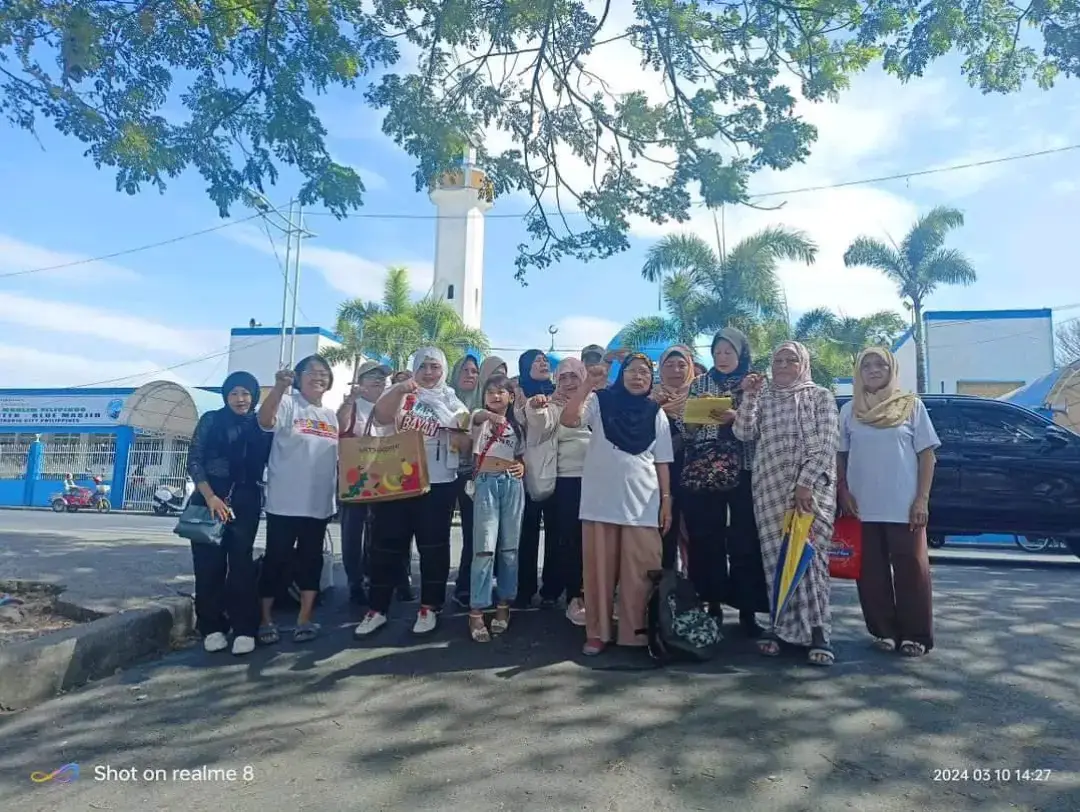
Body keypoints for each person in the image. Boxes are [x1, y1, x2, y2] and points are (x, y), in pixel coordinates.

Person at [561, 353, 674, 656]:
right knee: (598, 573)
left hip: (643, 503)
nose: (639, 377)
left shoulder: (655, 413)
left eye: (645, 373)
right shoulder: (600, 402)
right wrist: (587, 384)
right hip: (600, 502)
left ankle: (635, 633)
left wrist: (666, 502)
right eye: (632, 371)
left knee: (641, 571)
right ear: (621, 375)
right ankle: (598, 632)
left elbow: (662, 461)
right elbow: (569, 419)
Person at [734, 342, 840, 666]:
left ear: (803, 363)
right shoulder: (764, 398)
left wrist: (805, 483)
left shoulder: (819, 396)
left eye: (790, 360)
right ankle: (778, 626)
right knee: (776, 560)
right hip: (769, 489)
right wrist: (749, 395)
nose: (782, 365)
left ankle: (818, 631)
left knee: (810, 559)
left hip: (811, 490)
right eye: (777, 360)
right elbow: (742, 432)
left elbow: (827, 444)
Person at [356, 347, 470, 637]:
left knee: (433, 547)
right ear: (415, 368)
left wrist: (457, 434)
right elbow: (381, 417)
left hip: (439, 484)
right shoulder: (404, 395)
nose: (429, 373)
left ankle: (429, 606)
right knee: (385, 545)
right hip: (398, 479)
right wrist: (400, 389)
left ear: (443, 370)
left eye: (435, 367)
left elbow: (465, 442)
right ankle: (377, 609)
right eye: (423, 367)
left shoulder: (454, 402)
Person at [838, 347, 939, 657]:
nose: (872, 370)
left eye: (879, 364)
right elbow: (839, 456)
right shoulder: (849, 410)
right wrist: (843, 492)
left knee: (912, 569)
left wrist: (921, 499)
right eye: (865, 365)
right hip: (861, 506)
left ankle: (915, 635)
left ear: (891, 369)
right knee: (870, 572)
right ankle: (882, 631)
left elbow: (927, 455)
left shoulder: (911, 406)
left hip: (904, 505)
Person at [682, 329, 769, 637]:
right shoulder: (700, 384)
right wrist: (696, 416)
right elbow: (687, 429)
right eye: (717, 352)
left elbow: (762, 425)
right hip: (705, 468)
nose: (722, 358)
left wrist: (736, 413)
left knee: (745, 539)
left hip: (745, 469)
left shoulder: (757, 383)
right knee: (707, 539)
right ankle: (711, 604)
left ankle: (748, 610)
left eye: (728, 352)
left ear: (741, 354)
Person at [186, 371, 272, 655]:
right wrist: (211, 497)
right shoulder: (211, 420)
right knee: (208, 565)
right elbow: (195, 460)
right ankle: (211, 627)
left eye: (246, 393)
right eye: (234, 393)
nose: (240, 399)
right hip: (207, 497)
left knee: (241, 565)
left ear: (254, 396)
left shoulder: (260, 424)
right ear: (225, 396)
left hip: (245, 500)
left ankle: (245, 627)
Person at [256, 355, 339, 644]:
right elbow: (265, 420)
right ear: (299, 377)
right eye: (311, 372)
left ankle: (305, 618)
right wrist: (279, 388)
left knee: (311, 561)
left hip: (319, 504)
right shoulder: (289, 403)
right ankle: (265, 619)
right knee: (276, 560)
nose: (319, 377)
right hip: (285, 502)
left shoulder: (331, 415)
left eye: (323, 373)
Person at [522, 357, 592, 625]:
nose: (570, 382)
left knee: (595, 539)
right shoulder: (549, 405)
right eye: (563, 377)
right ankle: (574, 596)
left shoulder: (596, 402)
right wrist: (536, 406)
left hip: (598, 480)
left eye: (575, 376)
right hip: (564, 481)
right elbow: (537, 428)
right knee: (568, 540)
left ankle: (597, 593)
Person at [467, 374, 526, 641]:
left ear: (511, 397)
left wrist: (522, 466)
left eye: (501, 391)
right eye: (490, 391)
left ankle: (504, 605)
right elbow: (477, 416)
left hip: (512, 484)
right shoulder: (480, 420)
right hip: (486, 483)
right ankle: (477, 610)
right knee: (484, 548)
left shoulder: (518, 425)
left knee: (510, 548)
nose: (495, 396)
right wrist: (491, 417)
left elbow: (522, 455)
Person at [336, 360, 397, 606]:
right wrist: (349, 401)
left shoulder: (391, 406)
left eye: (382, 377)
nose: (378, 381)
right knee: (353, 532)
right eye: (371, 376)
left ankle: (383, 579)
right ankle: (355, 582)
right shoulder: (353, 406)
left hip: (385, 477)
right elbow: (339, 428)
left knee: (383, 531)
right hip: (356, 476)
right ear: (359, 383)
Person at [451, 355, 507, 608]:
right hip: (442, 475)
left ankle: (469, 586)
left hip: (471, 475)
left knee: (476, 533)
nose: (470, 375)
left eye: (475, 371)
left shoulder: (484, 405)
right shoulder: (445, 400)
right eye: (465, 370)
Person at [515, 349, 560, 607]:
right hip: (525, 472)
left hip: (556, 470)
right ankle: (524, 589)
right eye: (536, 361)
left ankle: (552, 590)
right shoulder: (518, 392)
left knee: (556, 533)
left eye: (544, 360)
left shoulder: (559, 392)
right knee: (526, 535)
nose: (542, 363)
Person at [651, 345, 694, 572]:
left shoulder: (698, 396)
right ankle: (665, 588)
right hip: (660, 475)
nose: (675, 370)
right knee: (665, 529)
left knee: (695, 531)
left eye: (681, 365)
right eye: (669, 365)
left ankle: (698, 591)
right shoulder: (650, 397)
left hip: (694, 473)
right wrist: (655, 408)